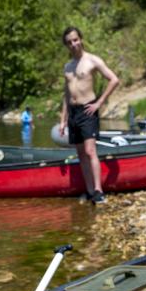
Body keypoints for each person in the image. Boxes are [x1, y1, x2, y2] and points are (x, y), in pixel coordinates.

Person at [59, 26, 119, 205]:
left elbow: (114, 79)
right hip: (73, 112)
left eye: (75, 40)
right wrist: (62, 120)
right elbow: (66, 94)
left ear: (81, 39)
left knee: (90, 151)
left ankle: (99, 190)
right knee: (81, 154)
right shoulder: (68, 67)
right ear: (67, 45)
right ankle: (90, 190)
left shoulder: (92, 60)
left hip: (88, 109)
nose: (73, 44)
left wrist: (99, 103)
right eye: (69, 42)